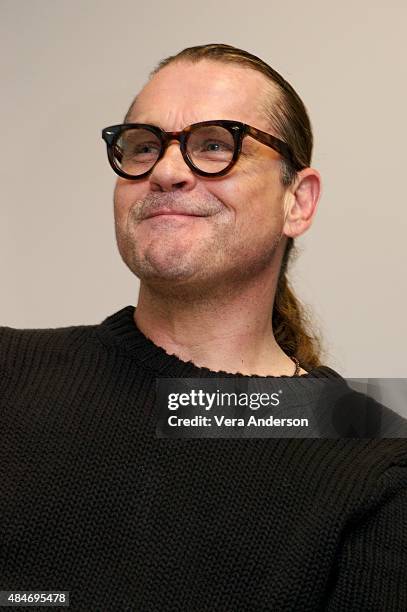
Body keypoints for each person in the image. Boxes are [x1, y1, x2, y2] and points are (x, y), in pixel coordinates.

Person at [0, 43, 406, 611]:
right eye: (143, 146)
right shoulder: (11, 371)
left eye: (215, 144)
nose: (165, 171)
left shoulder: (369, 448)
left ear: (298, 200)